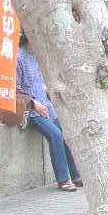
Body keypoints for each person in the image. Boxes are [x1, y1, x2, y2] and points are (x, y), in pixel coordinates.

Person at [17, 30, 82, 192]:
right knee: (55, 134)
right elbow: (15, 88)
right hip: (31, 110)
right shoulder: (18, 57)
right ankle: (63, 179)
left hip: (47, 107)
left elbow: (41, 81)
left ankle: (75, 175)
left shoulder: (37, 55)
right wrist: (34, 103)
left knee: (65, 133)